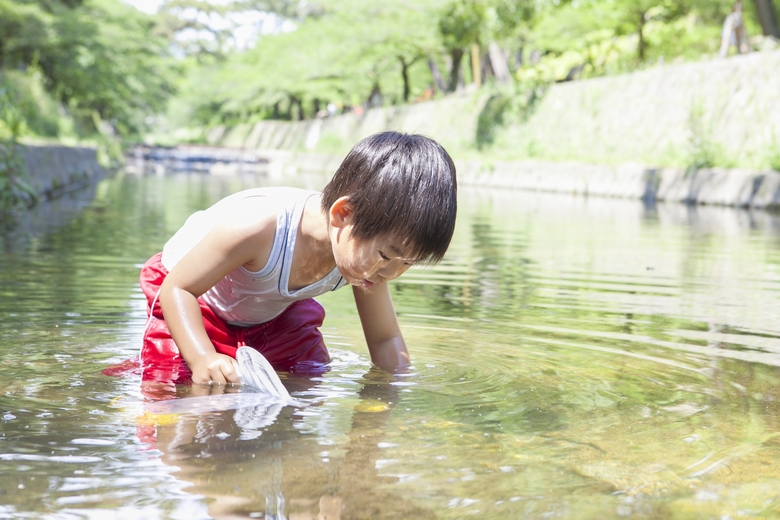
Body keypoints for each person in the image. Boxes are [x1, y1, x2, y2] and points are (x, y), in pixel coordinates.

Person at [138, 131, 457, 386]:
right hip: (192, 296)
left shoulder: (366, 264)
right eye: (387, 255)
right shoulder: (258, 226)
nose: (391, 272)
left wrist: (397, 389)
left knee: (308, 376)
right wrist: (201, 357)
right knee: (179, 384)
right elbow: (177, 289)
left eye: (408, 263)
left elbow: (386, 339)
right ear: (343, 214)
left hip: (270, 308)